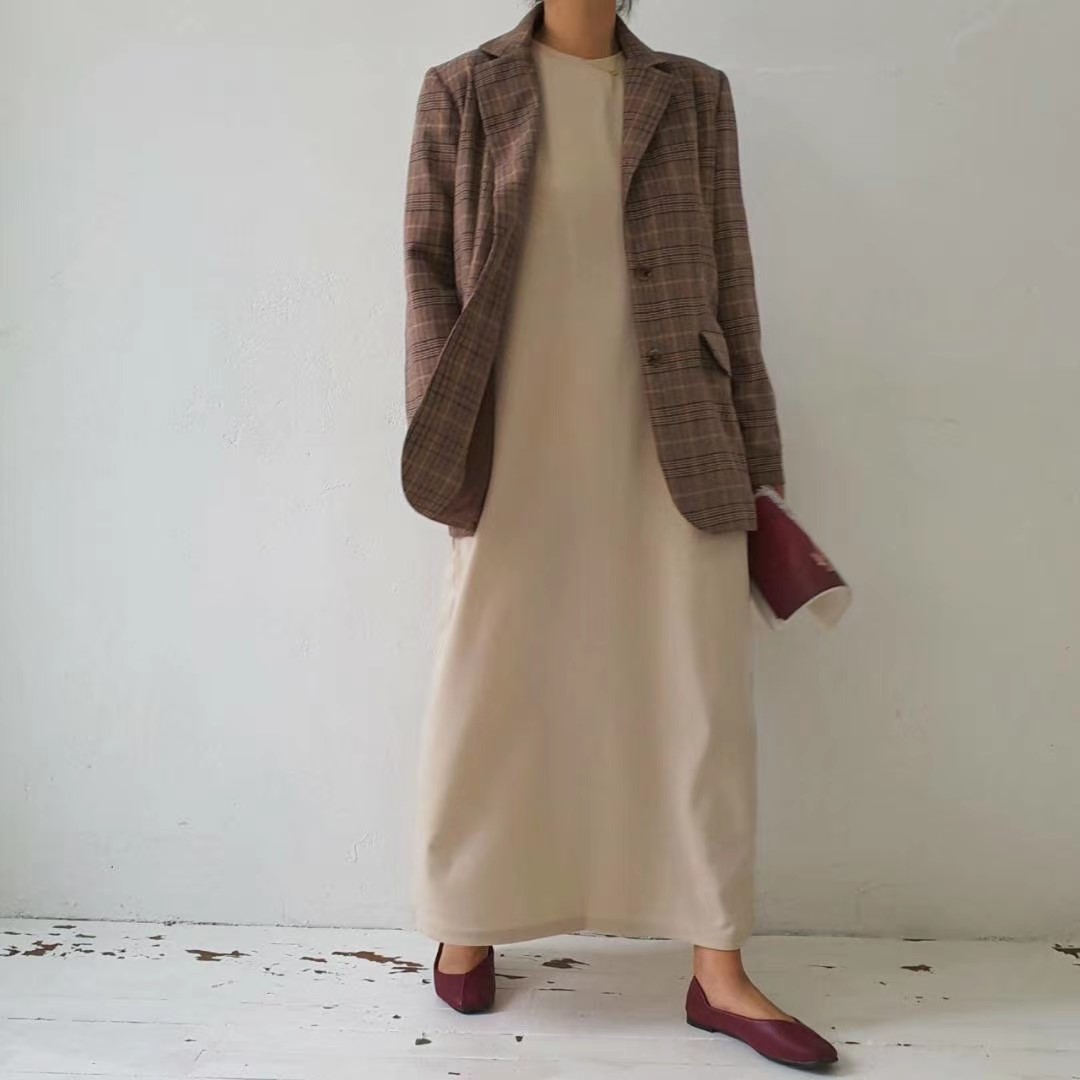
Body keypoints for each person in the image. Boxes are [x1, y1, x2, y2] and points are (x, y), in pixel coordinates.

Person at [400, 0, 837, 1068]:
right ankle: (469, 916)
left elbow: (732, 282)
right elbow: (426, 273)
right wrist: (445, 436)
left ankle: (717, 968)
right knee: (495, 676)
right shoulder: (461, 87)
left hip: (672, 432)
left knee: (696, 690)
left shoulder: (694, 95)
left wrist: (760, 465)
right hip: (515, 430)